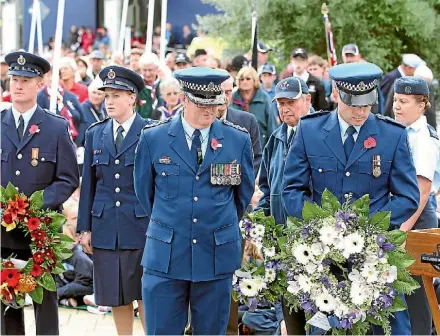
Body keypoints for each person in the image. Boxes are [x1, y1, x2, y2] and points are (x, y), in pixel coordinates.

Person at [282, 62, 420, 335]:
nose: (360, 112)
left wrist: (370, 229)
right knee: (326, 327)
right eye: (354, 105)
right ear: (336, 94)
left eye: (366, 105)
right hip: (323, 258)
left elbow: (408, 197)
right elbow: (291, 189)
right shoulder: (310, 130)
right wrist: (320, 227)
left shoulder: (391, 135)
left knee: (387, 328)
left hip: (376, 256)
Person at [134, 66, 254, 335]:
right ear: (185, 99)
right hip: (166, 255)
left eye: (214, 103)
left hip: (215, 255)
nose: (210, 111)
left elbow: (241, 198)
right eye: (202, 104)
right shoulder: (154, 137)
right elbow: (145, 193)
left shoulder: (237, 140)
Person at [1, 51, 79, 335]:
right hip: (3, 229)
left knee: (43, 297)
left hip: (41, 231)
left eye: (25, 80)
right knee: (7, 297)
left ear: (40, 84)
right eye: (14, 79)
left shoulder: (55, 127)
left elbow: (69, 177)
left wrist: (34, 206)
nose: (18, 85)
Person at [77, 65, 149, 335]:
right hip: (106, 225)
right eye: (107, 95)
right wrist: (85, 227)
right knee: (116, 292)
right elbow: (89, 185)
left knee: (143, 291)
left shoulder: (150, 132)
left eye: (116, 95)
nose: (109, 101)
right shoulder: (96, 133)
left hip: (140, 225)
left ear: (132, 97)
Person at [255, 77, 311, 335]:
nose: (286, 108)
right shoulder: (276, 138)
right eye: (281, 103)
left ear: (307, 100)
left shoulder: (319, 134)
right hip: (281, 239)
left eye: (292, 102)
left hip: (314, 242)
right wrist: (257, 224)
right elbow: (266, 189)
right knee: (289, 314)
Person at [392, 76, 440, 335]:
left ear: (422, 105)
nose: (397, 106)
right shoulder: (397, 130)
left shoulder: (423, 138)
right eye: (396, 100)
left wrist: (401, 231)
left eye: (404, 101)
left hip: (416, 220)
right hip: (401, 217)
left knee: (417, 294)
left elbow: (421, 192)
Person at [217, 73, 262, 176]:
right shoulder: (200, 122)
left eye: (228, 92)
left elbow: (255, 158)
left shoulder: (248, 121)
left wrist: (242, 185)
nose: (223, 97)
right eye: (219, 92)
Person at [231, 66, 277, 146]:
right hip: (236, 146)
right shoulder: (232, 98)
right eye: (242, 79)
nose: (244, 82)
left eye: (248, 79)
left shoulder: (264, 98)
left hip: (260, 146)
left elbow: (272, 127)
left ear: (255, 80)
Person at [136, 52, 162, 119]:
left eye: (150, 70)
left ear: (157, 69)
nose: (147, 74)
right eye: (144, 70)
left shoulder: (163, 85)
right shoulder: (137, 86)